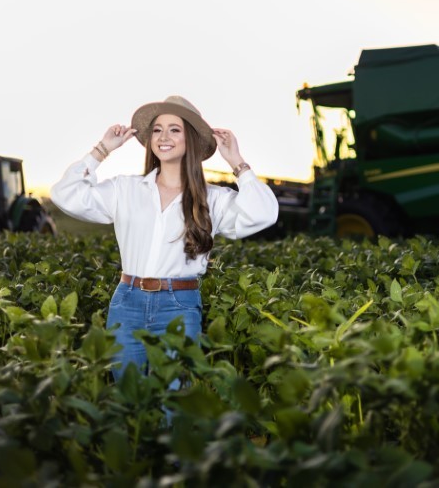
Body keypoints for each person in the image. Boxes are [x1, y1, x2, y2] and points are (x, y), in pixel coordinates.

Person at [50, 95, 279, 382]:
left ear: (190, 140)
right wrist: (101, 150)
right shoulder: (125, 189)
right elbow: (65, 194)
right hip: (127, 303)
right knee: (128, 397)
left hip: (178, 305)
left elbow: (264, 213)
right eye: (157, 130)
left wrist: (237, 162)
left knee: (174, 398)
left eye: (174, 129)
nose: (163, 137)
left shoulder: (213, 199)